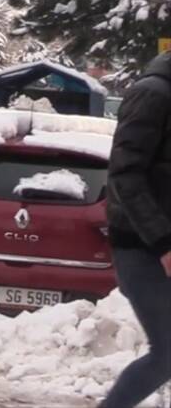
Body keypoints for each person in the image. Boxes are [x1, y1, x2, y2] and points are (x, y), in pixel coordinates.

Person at [100, 51, 171, 408]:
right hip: (143, 247)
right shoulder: (154, 93)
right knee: (168, 353)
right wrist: (163, 243)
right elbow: (126, 175)